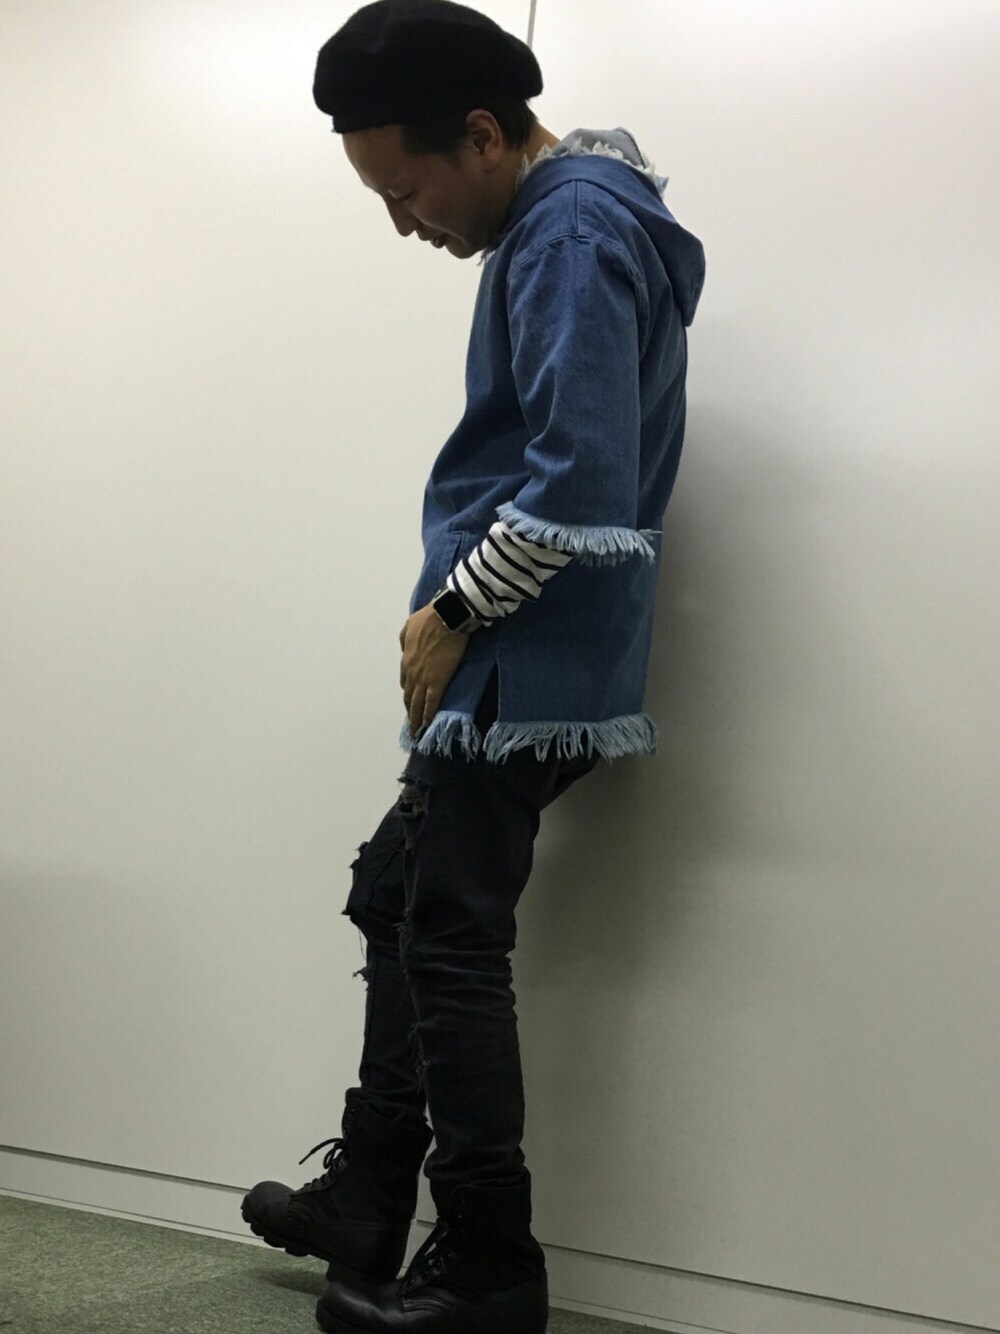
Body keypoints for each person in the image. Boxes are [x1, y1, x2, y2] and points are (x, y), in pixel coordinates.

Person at [241, 2, 706, 1330]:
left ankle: (491, 1261)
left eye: (406, 189)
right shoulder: (576, 214)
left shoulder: (569, 229)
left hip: (516, 665)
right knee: (396, 890)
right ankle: (369, 1192)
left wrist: (452, 608)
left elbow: (582, 477)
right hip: (527, 665)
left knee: (448, 939)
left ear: (487, 135)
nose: (404, 224)